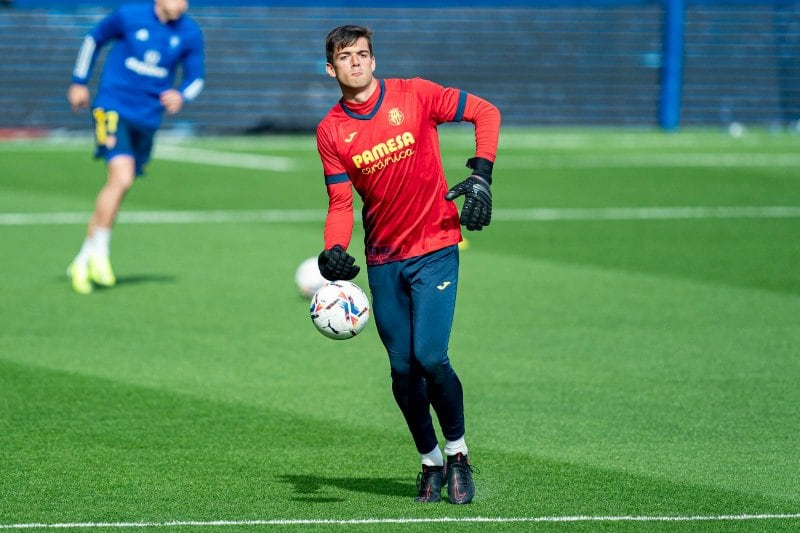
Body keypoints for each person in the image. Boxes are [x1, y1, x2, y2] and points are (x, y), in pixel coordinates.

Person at [315, 25, 500, 504]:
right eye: (345, 57)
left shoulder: (415, 95)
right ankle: (430, 462)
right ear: (330, 69)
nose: (356, 62)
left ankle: (458, 454)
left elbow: (485, 112)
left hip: (436, 246)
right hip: (383, 258)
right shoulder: (332, 130)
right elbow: (340, 204)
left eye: (363, 54)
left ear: (374, 60)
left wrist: (482, 173)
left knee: (431, 358)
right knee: (402, 371)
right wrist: (332, 250)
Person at [66, 0, 205, 294]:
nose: (181, 4)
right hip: (112, 107)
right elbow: (94, 38)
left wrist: (181, 96)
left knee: (118, 186)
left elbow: (196, 78)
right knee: (122, 177)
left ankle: (82, 259)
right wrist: (79, 81)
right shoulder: (129, 16)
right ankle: (100, 254)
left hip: (147, 119)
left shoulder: (190, 32)